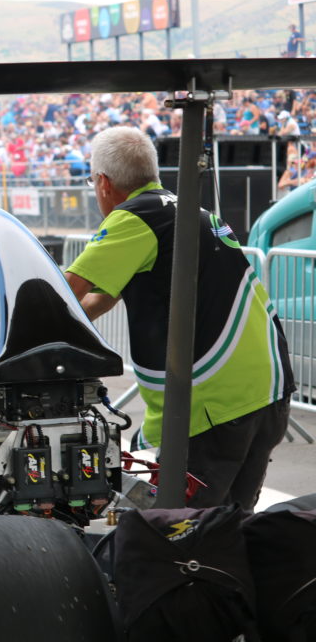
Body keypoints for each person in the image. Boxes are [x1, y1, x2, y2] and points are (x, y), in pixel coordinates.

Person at [64, 127, 294, 511]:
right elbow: (102, 297)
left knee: (180, 530)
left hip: (215, 403)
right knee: (234, 524)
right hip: (268, 389)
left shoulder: (135, 217)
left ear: (103, 183)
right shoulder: (191, 211)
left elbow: (67, 291)